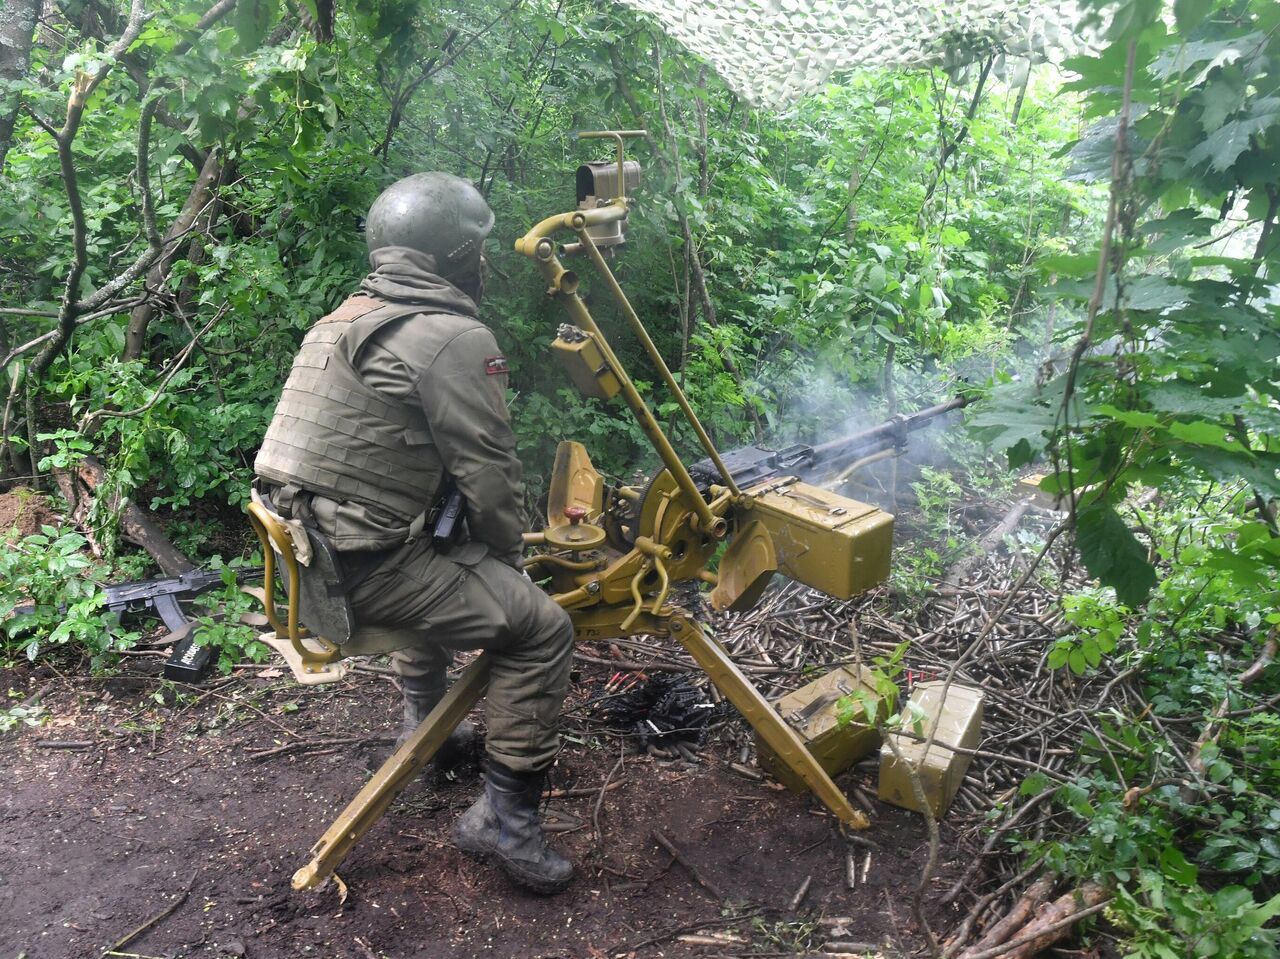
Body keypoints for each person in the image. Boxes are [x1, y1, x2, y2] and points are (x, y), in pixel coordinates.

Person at [253, 172, 576, 895]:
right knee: (543, 628)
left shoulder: (341, 319)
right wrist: (511, 565)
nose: (487, 262)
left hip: (311, 567)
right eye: (481, 249)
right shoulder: (450, 335)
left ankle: (424, 731)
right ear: (458, 256)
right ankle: (504, 821)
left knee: (436, 552)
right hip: (362, 575)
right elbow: (491, 476)